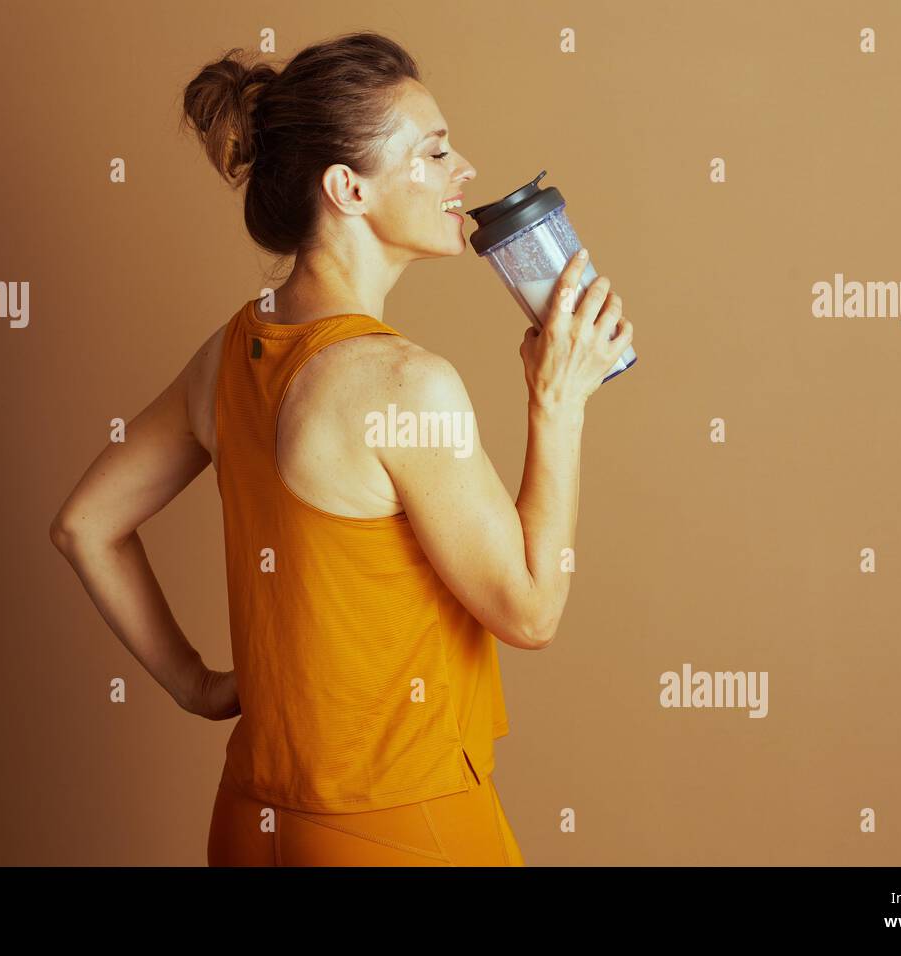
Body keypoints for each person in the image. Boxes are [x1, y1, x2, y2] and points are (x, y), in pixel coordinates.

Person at [50, 30, 632, 867]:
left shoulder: (229, 352)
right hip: (401, 823)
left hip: (252, 818)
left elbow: (86, 524)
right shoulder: (401, 381)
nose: (461, 168)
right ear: (347, 188)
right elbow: (532, 609)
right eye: (433, 152)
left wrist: (198, 686)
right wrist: (559, 400)